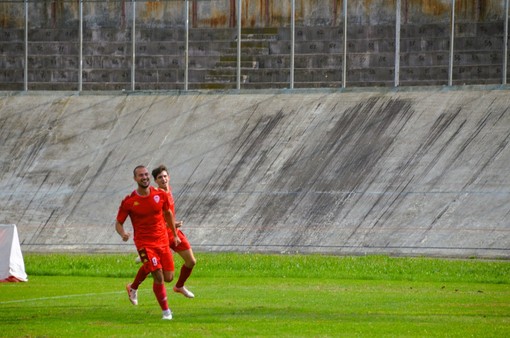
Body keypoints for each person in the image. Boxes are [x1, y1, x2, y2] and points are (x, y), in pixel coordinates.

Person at [115, 165, 181, 320]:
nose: (144, 177)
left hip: (162, 241)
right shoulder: (129, 201)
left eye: (146, 175)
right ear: (135, 179)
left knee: (169, 277)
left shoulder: (160, 195)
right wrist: (123, 233)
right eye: (140, 175)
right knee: (157, 275)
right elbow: (118, 223)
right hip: (144, 243)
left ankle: (132, 287)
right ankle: (166, 312)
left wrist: (175, 235)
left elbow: (168, 213)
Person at [132, 165, 197, 298]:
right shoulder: (154, 195)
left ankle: (179, 286)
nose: (163, 179)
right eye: (160, 177)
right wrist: (171, 223)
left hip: (174, 233)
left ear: (169, 177)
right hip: (160, 235)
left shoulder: (168, 190)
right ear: (155, 180)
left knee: (191, 261)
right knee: (154, 267)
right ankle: (133, 287)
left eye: (165, 176)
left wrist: (173, 225)